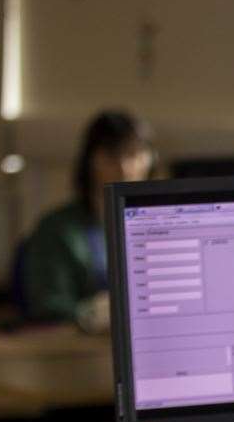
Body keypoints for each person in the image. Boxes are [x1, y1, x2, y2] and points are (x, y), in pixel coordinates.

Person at [19, 109, 154, 324]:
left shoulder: (161, 223)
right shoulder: (57, 229)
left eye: (133, 155)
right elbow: (48, 305)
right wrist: (90, 312)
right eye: (112, 156)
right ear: (89, 160)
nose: (125, 168)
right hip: (80, 347)